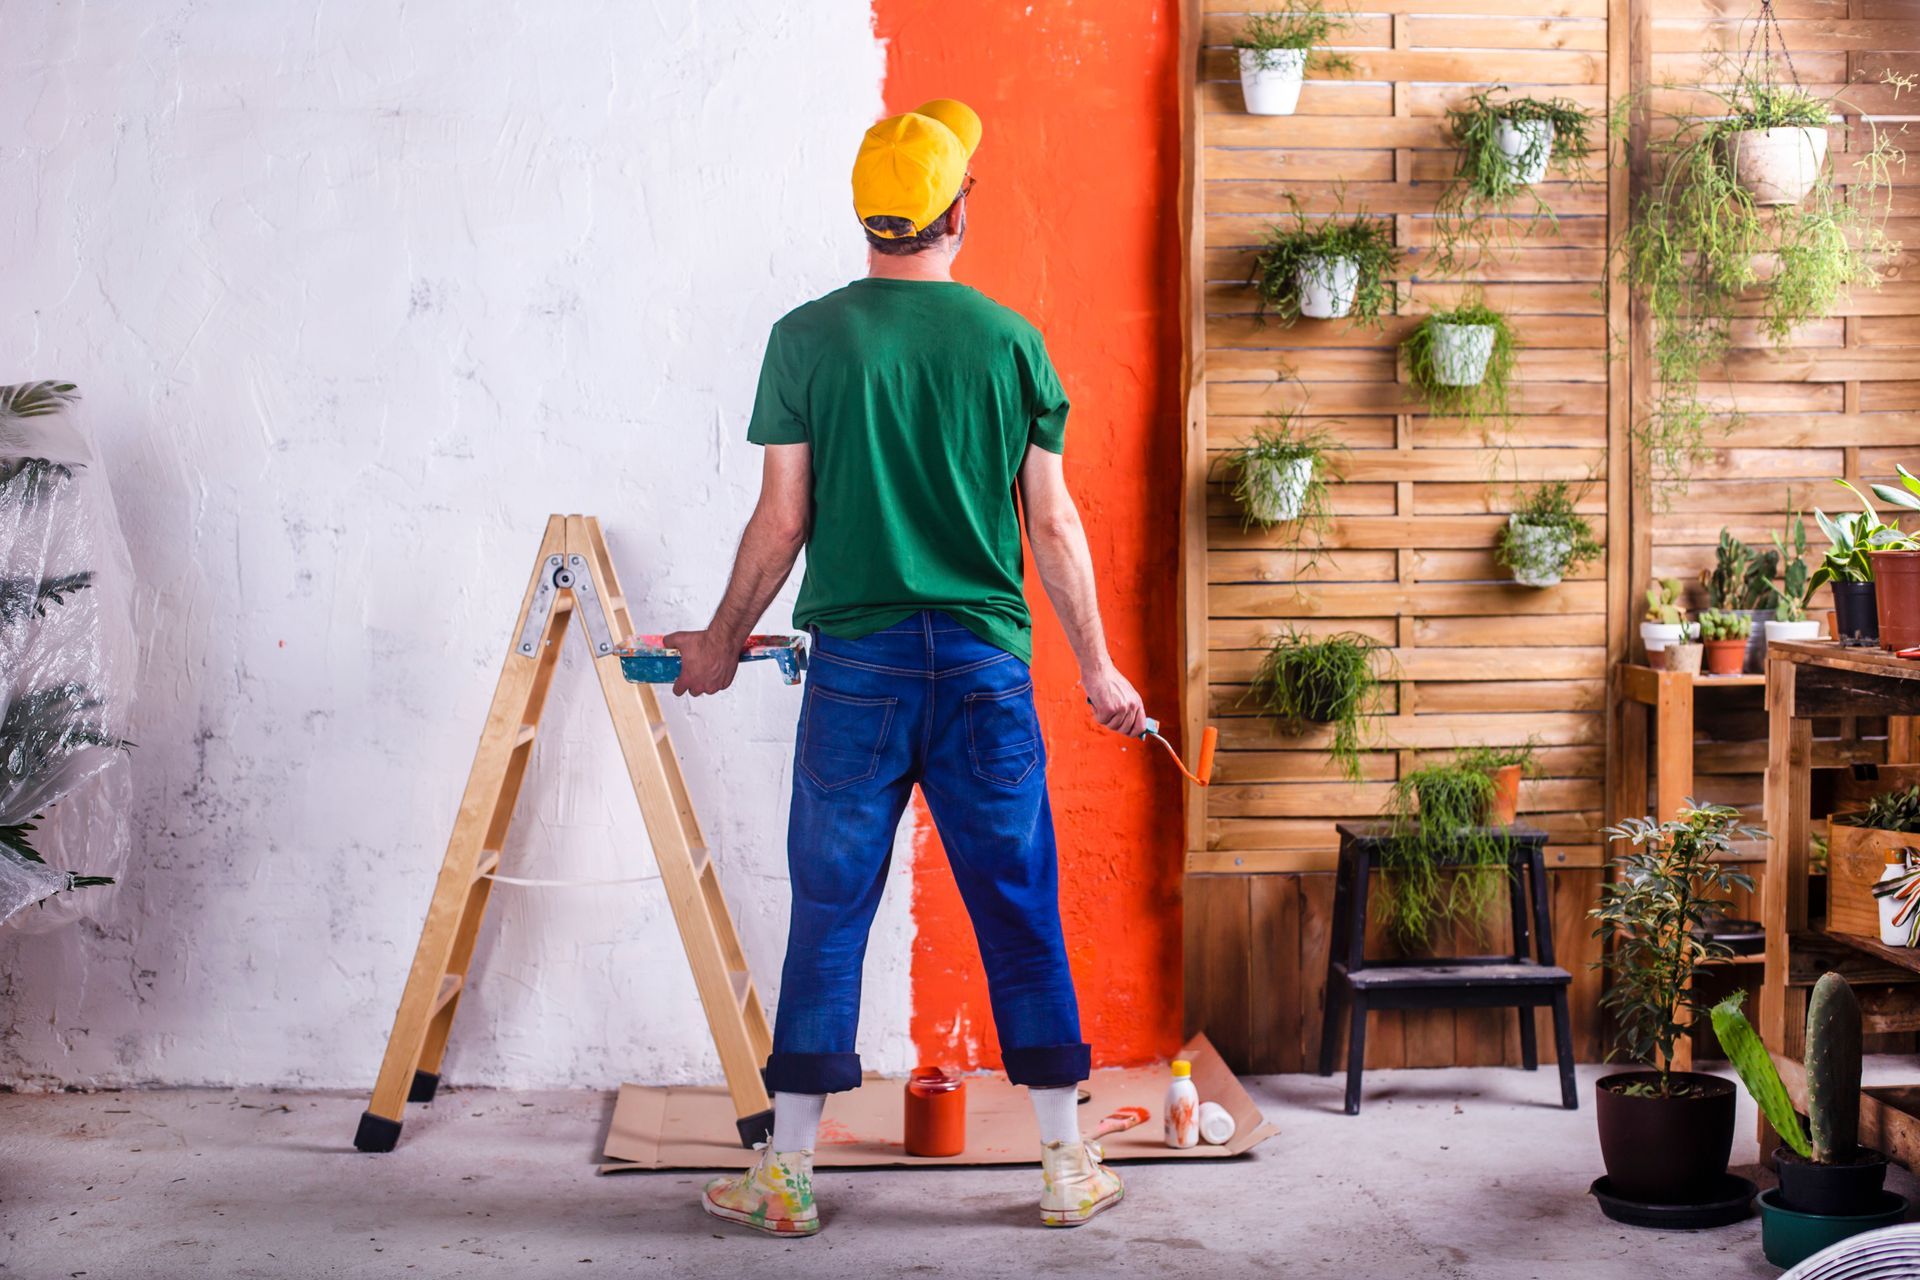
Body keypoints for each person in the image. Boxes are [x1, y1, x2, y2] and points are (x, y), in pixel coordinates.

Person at [666, 97, 1145, 1236]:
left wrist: (721, 643)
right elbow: (1056, 528)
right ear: (957, 209)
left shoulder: (806, 337)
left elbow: (781, 521)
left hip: (858, 674)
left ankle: (784, 1180)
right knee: (1019, 905)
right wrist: (1099, 668)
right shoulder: (1008, 341)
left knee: (829, 909)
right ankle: (1066, 1166)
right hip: (984, 670)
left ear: (869, 217)